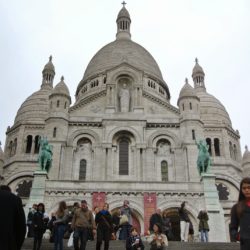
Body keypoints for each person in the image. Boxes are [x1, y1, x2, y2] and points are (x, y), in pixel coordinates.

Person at [0, 185, 26, 250]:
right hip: (7, 242)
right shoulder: (16, 199)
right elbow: (21, 225)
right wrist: (17, 245)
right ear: (10, 191)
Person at [230, 177, 250, 250]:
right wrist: (239, 236)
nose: (247, 190)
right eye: (244, 188)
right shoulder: (236, 207)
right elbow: (233, 228)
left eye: (249, 187)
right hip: (246, 245)